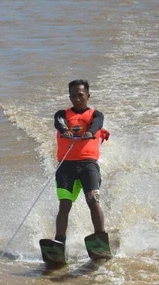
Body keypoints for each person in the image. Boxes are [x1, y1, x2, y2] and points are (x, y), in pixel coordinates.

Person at [53, 79, 109, 245]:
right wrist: (65, 131)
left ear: (88, 96)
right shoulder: (61, 114)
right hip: (66, 166)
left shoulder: (96, 115)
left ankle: (100, 238)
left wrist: (90, 132)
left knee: (92, 199)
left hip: (88, 165)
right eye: (73, 96)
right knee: (64, 205)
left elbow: (98, 124)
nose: (76, 99)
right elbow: (59, 123)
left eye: (80, 95)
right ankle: (59, 243)